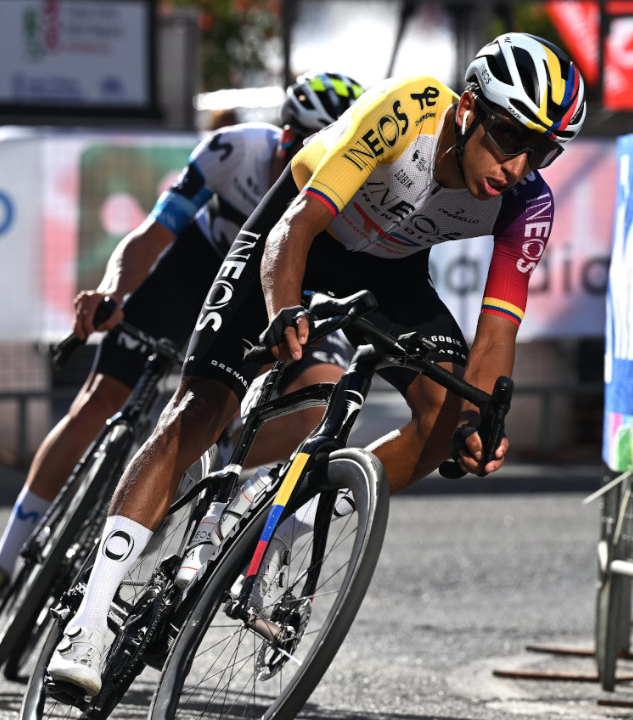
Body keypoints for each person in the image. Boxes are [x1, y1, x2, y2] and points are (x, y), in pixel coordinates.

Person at [45, 32, 587, 696]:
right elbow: (295, 228)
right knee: (202, 406)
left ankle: (281, 515)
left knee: (449, 417)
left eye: (544, 151)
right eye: (511, 137)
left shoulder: (527, 200)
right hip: (300, 231)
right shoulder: (408, 107)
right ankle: (90, 618)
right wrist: (282, 310)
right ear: (471, 107)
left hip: (392, 271)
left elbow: (497, 334)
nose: (519, 164)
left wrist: (481, 420)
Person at [0, 72, 366, 631]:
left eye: (325, 149)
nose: (307, 159)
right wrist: (114, 292)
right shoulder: (235, 150)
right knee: (97, 401)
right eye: (300, 143)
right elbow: (153, 232)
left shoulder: (348, 194)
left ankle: (213, 480)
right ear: (283, 135)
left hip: (263, 295)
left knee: (322, 398)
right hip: (194, 271)